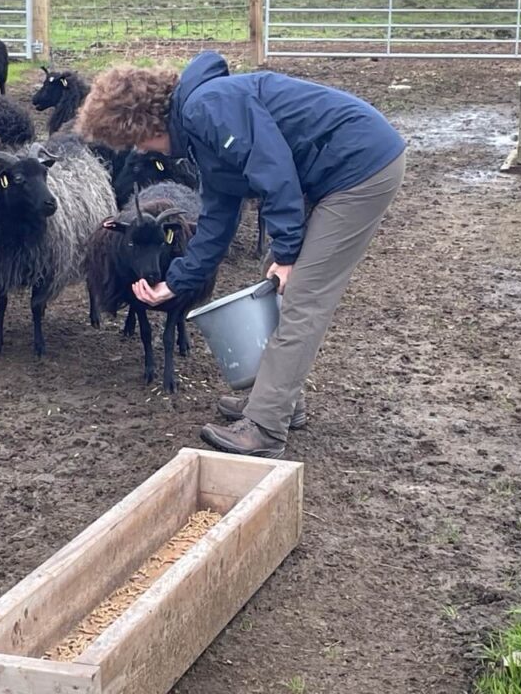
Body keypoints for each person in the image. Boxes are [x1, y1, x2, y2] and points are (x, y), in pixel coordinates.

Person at [76, 50, 405, 459]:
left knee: (303, 296)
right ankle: (281, 402)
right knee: (278, 285)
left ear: (144, 122)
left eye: (139, 142)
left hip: (359, 168)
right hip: (333, 169)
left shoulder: (208, 107)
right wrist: (175, 283)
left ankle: (266, 428)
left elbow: (273, 170)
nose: (148, 152)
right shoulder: (201, 130)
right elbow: (217, 219)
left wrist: (287, 253)